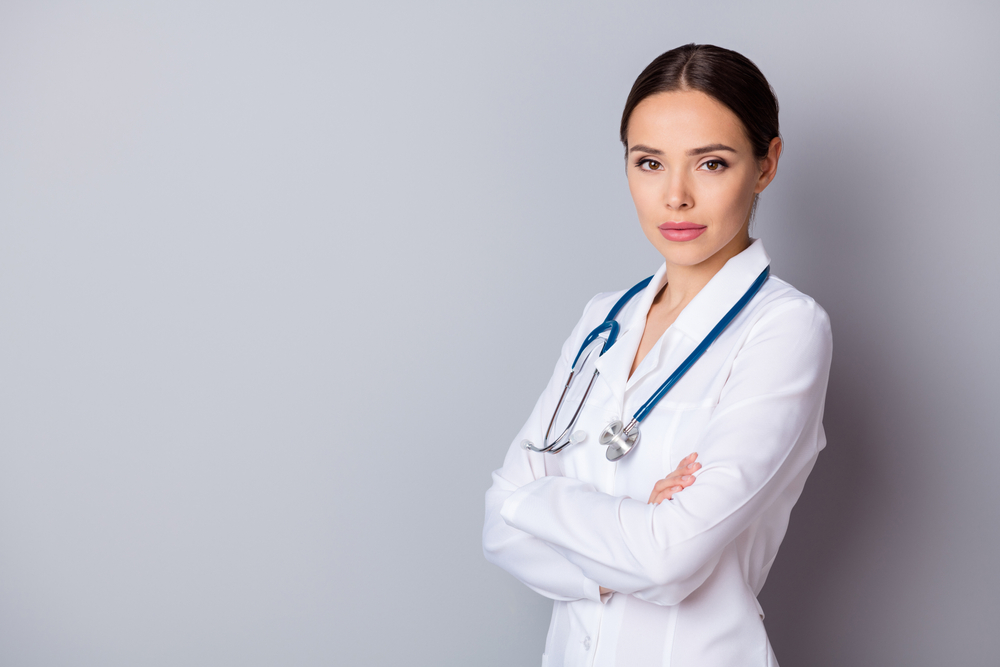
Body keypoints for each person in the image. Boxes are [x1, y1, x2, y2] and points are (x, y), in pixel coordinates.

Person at [482, 44, 833, 666]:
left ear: (766, 164)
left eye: (711, 163)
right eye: (650, 162)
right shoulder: (603, 319)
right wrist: (634, 525)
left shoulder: (785, 328)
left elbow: (669, 560)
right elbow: (499, 528)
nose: (675, 196)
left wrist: (536, 501)